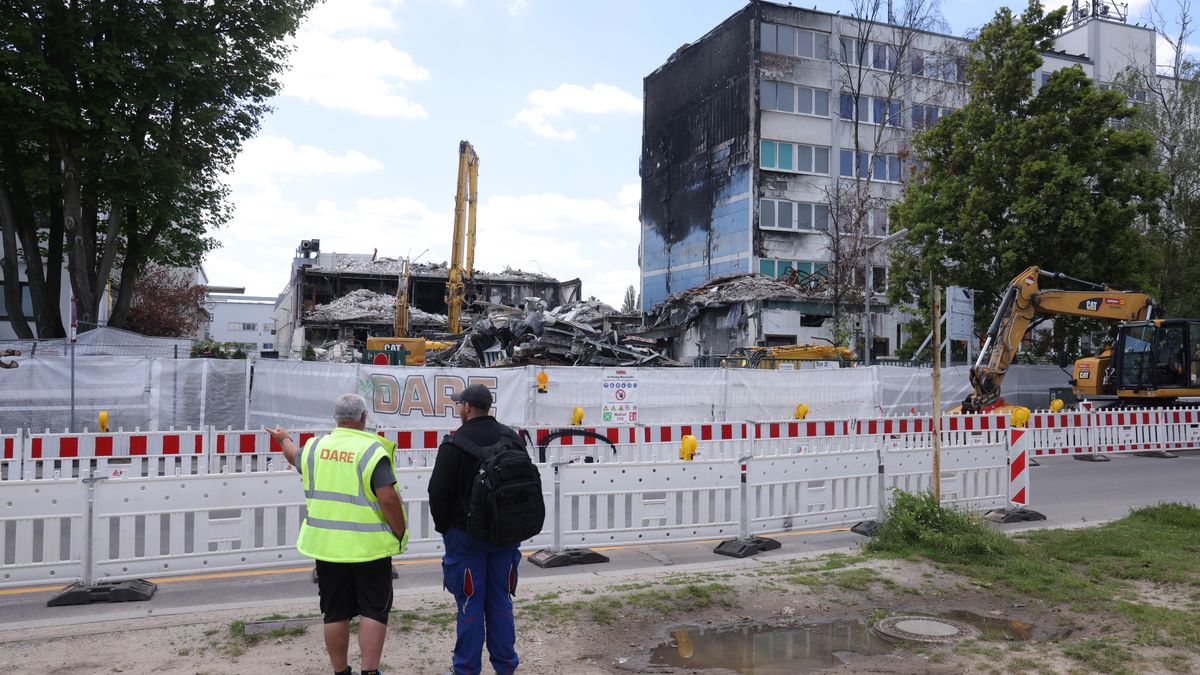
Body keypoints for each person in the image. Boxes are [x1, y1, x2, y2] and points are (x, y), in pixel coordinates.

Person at [267, 393, 407, 675]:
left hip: (327, 547)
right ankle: (370, 671)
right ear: (364, 417)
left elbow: (293, 455)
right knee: (373, 610)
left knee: (334, 612)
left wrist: (283, 438)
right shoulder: (371, 450)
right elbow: (388, 498)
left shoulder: (316, 447)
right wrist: (399, 531)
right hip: (369, 548)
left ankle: (340, 671)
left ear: (336, 418)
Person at [428, 384, 523, 675]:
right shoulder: (512, 438)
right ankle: (506, 667)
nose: (459, 409)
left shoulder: (455, 444)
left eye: (460, 405)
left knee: (470, 605)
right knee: (500, 603)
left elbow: (438, 493)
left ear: (468, 407)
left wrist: (446, 529)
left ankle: (466, 670)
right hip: (505, 537)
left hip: (466, 539)